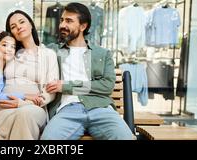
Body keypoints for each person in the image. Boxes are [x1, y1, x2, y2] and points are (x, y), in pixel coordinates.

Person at [41, 3, 134, 140]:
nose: (62, 25)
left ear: (83, 26)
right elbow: (31, 47)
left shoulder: (102, 54)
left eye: (69, 21)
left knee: (125, 138)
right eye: (62, 20)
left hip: (100, 108)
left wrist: (66, 86)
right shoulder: (53, 50)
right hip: (67, 110)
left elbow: (107, 85)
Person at [0, 10, 59, 140]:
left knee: (25, 115)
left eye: (21, 22)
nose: (18, 27)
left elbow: (50, 91)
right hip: (4, 107)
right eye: (13, 26)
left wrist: (22, 103)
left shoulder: (48, 54)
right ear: (11, 33)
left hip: (33, 107)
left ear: (31, 25)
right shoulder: (8, 53)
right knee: (21, 118)